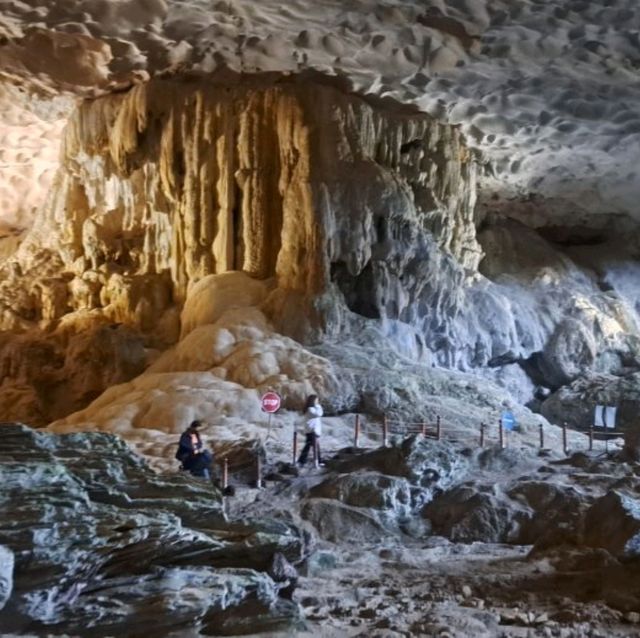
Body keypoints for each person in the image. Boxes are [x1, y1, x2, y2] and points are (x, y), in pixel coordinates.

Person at [297, 394, 325, 467]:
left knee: (308, 446)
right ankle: (318, 461)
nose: (317, 401)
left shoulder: (311, 409)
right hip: (312, 431)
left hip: (311, 430)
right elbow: (319, 414)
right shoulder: (310, 409)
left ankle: (301, 461)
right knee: (315, 446)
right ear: (313, 401)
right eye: (316, 400)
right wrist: (319, 406)